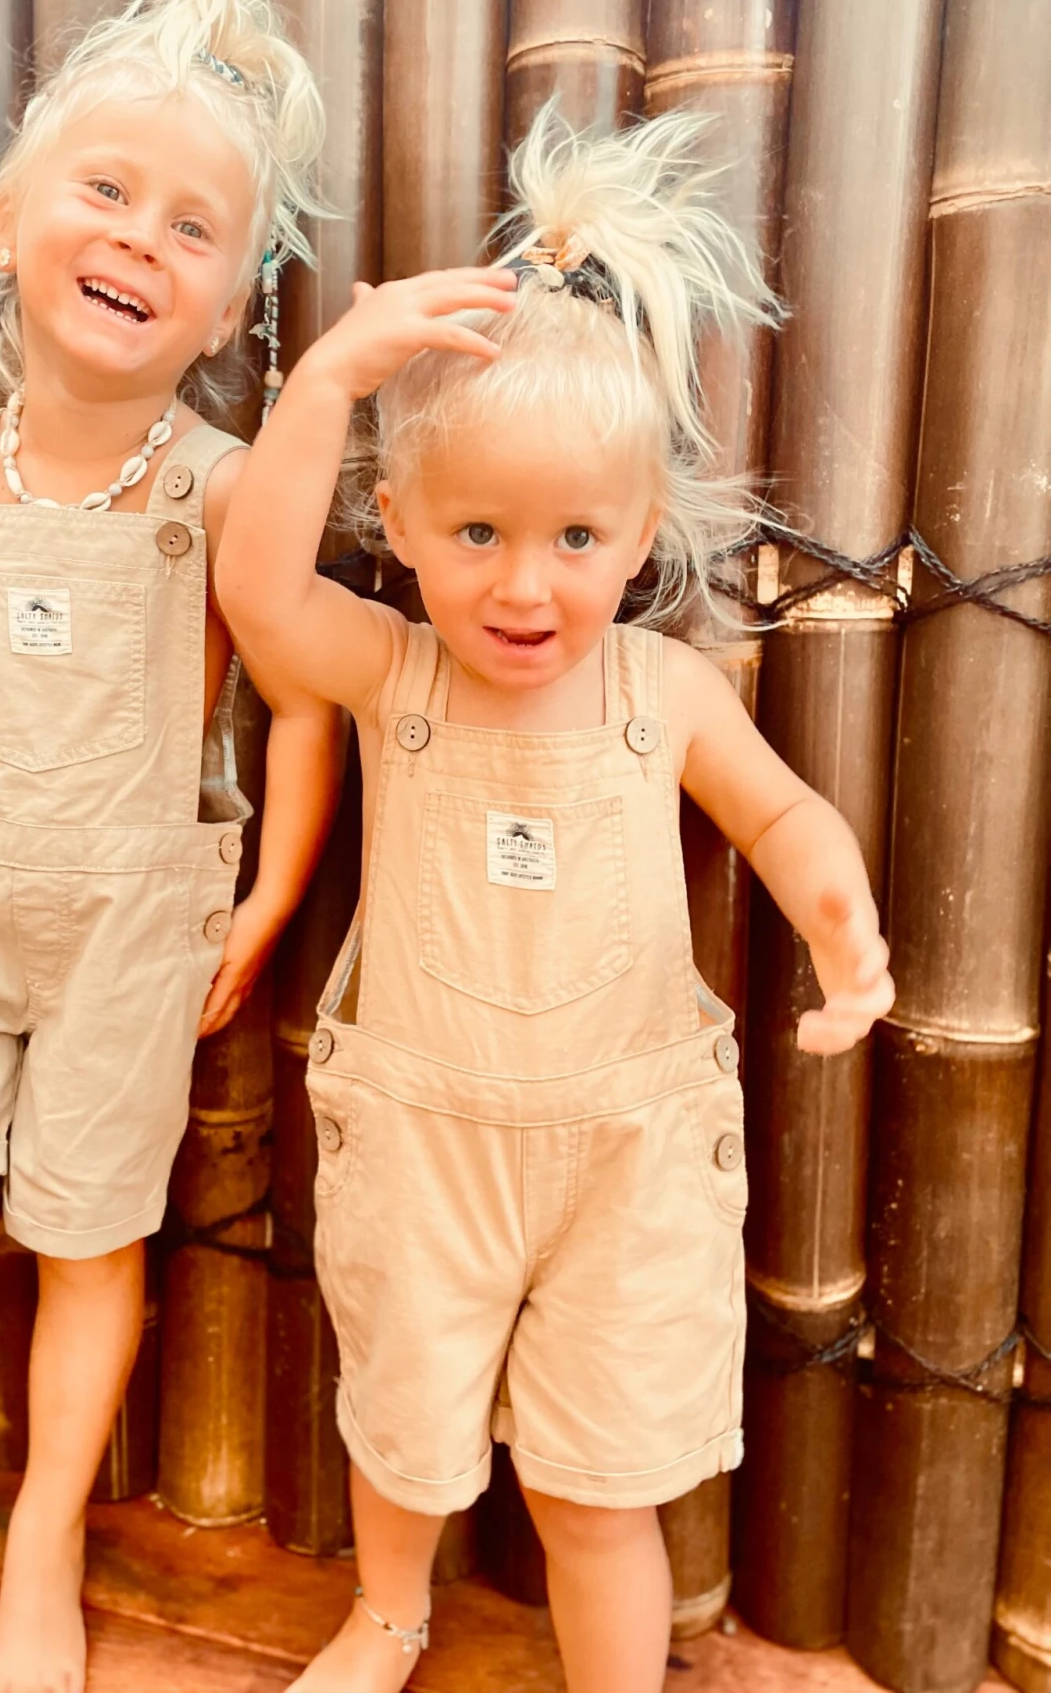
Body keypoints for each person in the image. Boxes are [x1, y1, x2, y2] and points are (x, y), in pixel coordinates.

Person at [215, 105, 895, 1693]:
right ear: (399, 529)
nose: (525, 586)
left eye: (576, 537)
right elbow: (257, 591)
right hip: (425, 1150)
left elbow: (782, 812)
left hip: (626, 1165)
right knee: (404, 1434)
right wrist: (328, 381)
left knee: (603, 1488)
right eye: (477, 533)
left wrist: (840, 916)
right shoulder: (393, 674)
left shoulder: (666, 693)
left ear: (639, 534)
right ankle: (390, 1615)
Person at [0, 0, 341, 1693]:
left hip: (129, 929)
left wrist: (266, 899)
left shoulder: (222, 492)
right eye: (106, 190)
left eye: (193, 228)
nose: (139, 239)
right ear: (9, 217)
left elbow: (302, 701)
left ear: (227, 308)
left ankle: (43, 1543)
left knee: (85, 1239)